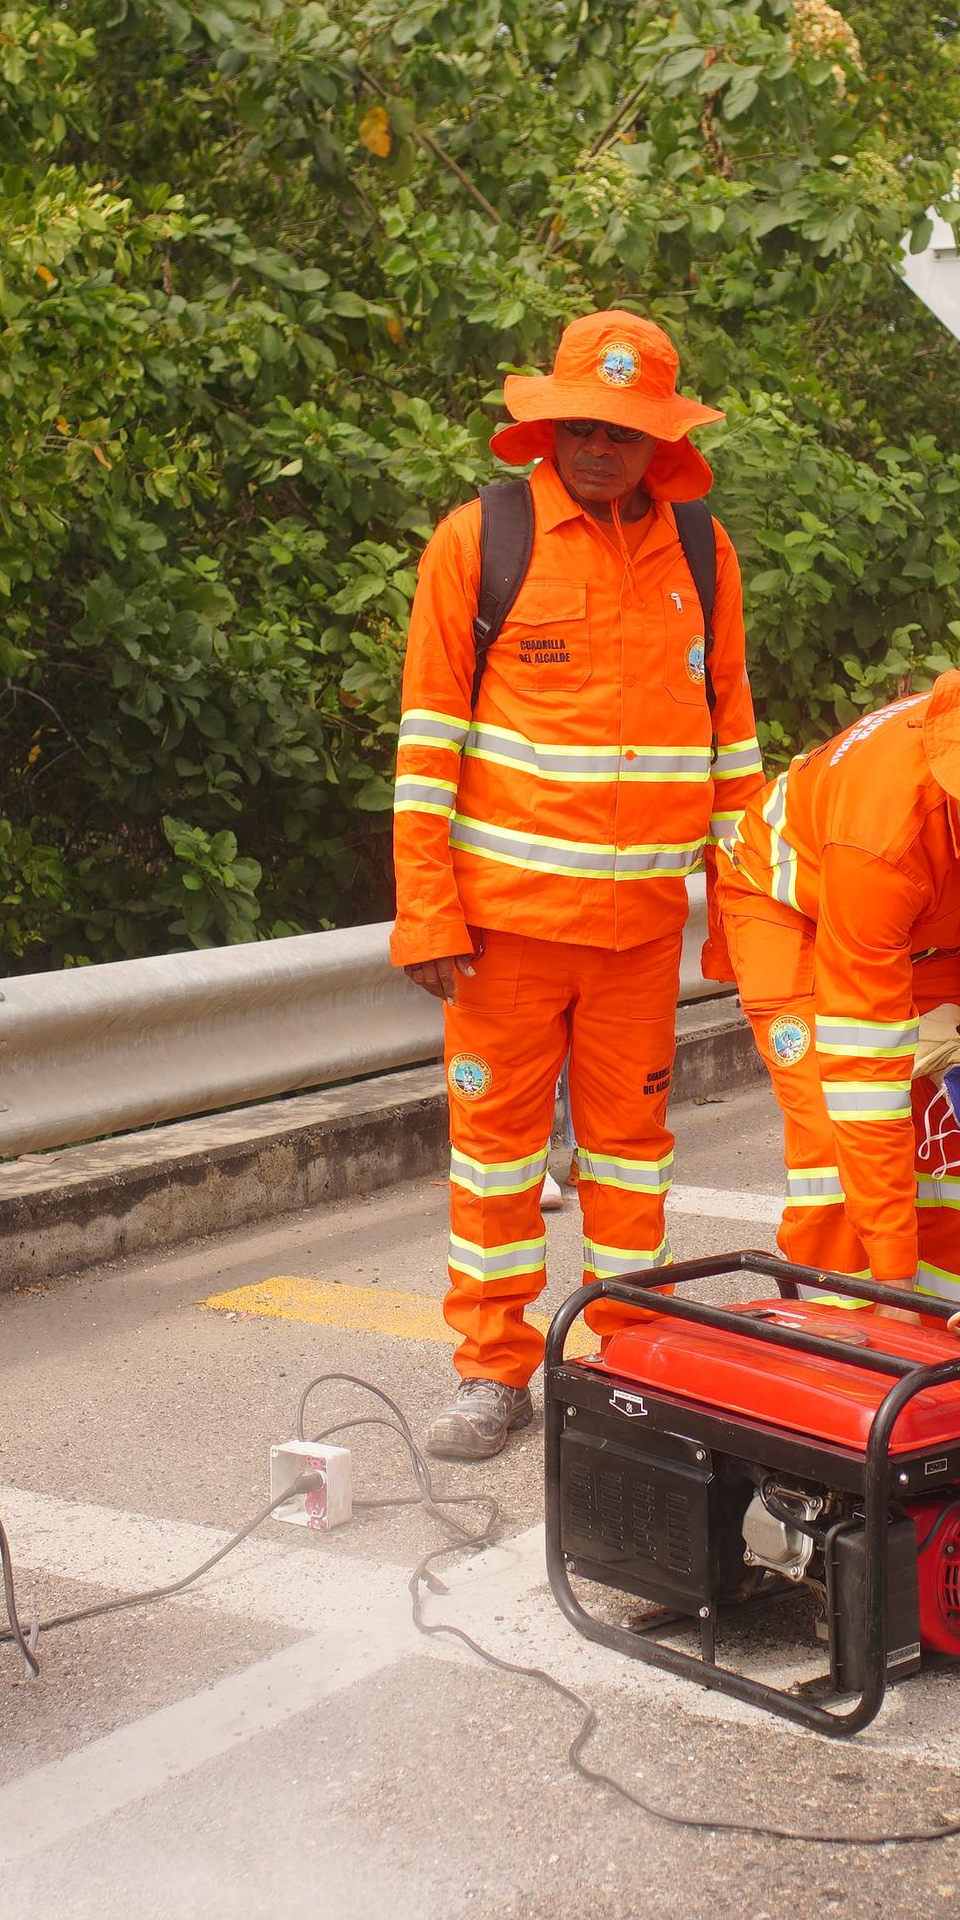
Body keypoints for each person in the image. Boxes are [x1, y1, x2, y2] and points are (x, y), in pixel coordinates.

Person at [389, 309, 763, 1463]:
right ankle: (493, 1370)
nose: (601, 445)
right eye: (582, 424)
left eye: (624, 427)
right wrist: (426, 907)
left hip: (642, 933)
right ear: (548, 424)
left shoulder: (701, 553)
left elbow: (732, 745)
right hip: (503, 931)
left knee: (632, 1155)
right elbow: (425, 742)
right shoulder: (479, 540)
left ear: (662, 439)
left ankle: (621, 1359)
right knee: (494, 1158)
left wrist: (740, 915)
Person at [714, 666, 960, 1302]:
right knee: (834, 1131)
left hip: (934, 921)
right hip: (796, 912)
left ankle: (950, 1336)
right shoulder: (881, 833)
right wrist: (892, 1279)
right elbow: (864, 1079)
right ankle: (843, 1336)